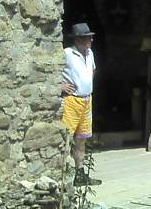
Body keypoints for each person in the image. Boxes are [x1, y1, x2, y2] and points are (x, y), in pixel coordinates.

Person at [60, 22, 101, 186]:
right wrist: (61, 86)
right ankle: (63, 176)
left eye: (90, 38)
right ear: (77, 40)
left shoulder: (90, 54)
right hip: (71, 100)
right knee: (66, 138)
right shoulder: (67, 54)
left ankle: (80, 174)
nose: (90, 41)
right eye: (86, 38)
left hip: (86, 100)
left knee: (81, 139)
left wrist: (86, 85)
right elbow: (51, 71)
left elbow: (93, 70)